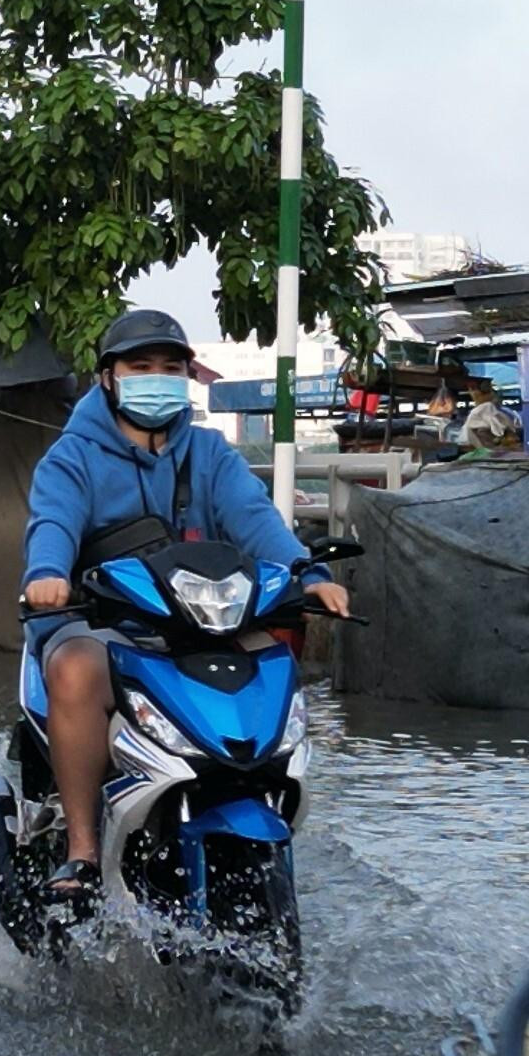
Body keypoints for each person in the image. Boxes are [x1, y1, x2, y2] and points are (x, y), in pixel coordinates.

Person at [22, 309, 352, 900]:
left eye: (170, 367)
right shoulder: (71, 457)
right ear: (108, 377)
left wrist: (309, 573)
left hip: (201, 624)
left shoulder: (209, 452)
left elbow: (254, 518)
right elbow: (53, 522)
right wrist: (48, 574)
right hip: (102, 622)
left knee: (272, 665)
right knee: (73, 669)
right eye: (140, 366)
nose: (156, 377)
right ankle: (82, 851)